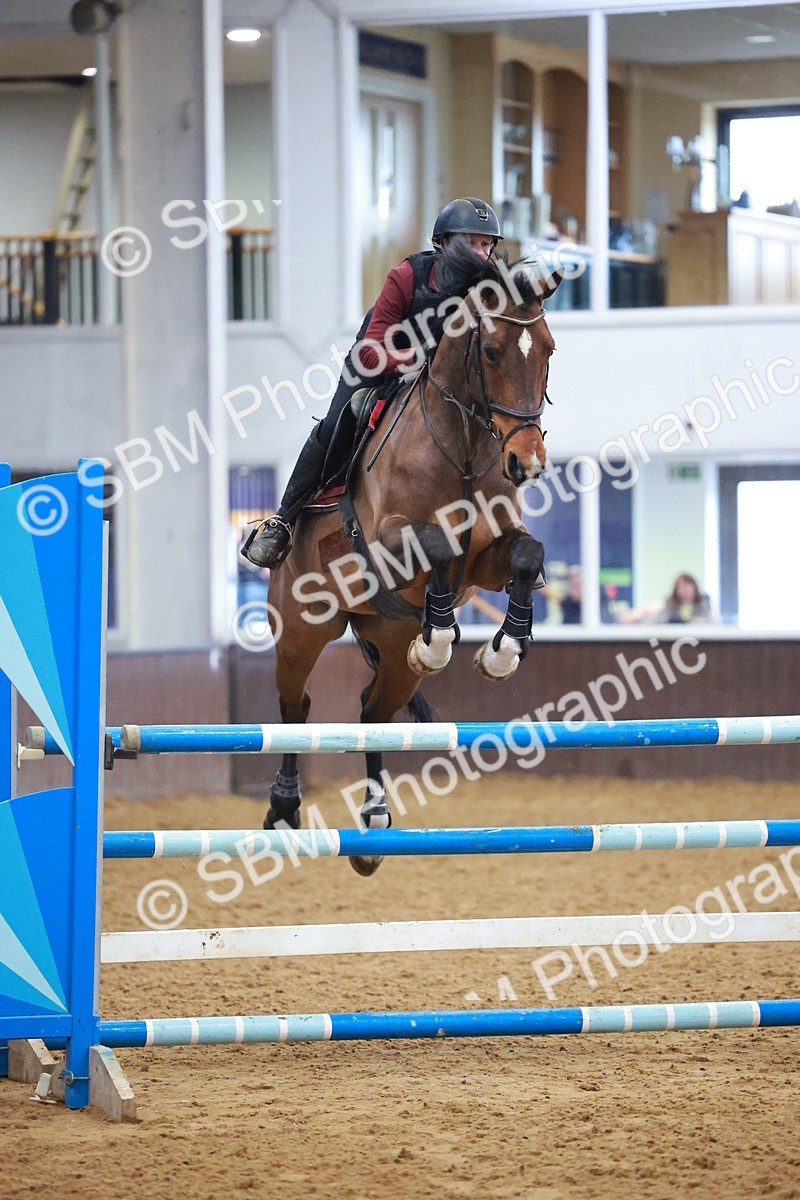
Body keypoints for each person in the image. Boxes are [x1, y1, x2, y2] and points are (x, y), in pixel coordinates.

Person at [241, 197, 503, 569]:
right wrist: (410, 362)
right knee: (336, 424)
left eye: (489, 245)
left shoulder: (484, 289)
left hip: (434, 380)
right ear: (446, 242)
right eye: (476, 243)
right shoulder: (407, 277)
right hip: (375, 367)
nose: (484, 253)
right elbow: (371, 350)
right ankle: (283, 520)